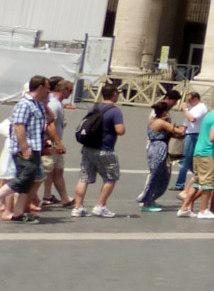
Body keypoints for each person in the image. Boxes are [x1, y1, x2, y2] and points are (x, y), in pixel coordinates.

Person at [71, 81, 127, 218]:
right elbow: (120, 130)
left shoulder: (94, 108)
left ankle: (78, 207)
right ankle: (100, 206)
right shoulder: (115, 111)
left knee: (84, 177)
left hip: (88, 147)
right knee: (110, 177)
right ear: (114, 94)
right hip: (105, 149)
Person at [4, 76, 54, 222]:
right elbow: (19, 125)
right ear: (40, 87)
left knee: (29, 180)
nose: (48, 90)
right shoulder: (24, 104)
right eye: (47, 87)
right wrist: (24, 147)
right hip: (26, 148)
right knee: (23, 178)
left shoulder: (37, 104)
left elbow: (49, 119)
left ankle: (18, 213)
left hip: (36, 147)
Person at [184, 92, 214, 219]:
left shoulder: (209, 114)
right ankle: (203, 210)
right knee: (208, 183)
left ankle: (184, 208)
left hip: (198, 151)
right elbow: (213, 137)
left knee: (197, 182)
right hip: (207, 152)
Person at [137, 100, 180, 211]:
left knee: (157, 174)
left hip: (152, 146)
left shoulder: (152, 120)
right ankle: (147, 201)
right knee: (158, 175)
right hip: (159, 147)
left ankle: (149, 199)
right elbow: (178, 131)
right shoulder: (161, 122)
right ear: (164, 111)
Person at [41, 78, 74, 210]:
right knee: (49, 171)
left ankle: (64, 197)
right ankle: (47, 196)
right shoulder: (54, 104)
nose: (70, 93)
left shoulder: (58, 104)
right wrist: (57, 142)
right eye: (69, 90)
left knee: (58, 171)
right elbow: (50, 125)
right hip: (52, 143)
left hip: (56, 142)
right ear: (62, 90)